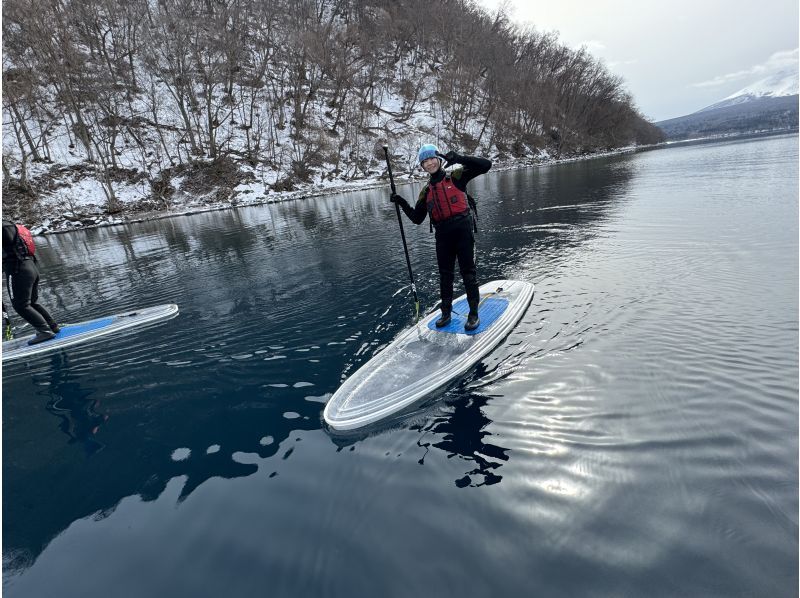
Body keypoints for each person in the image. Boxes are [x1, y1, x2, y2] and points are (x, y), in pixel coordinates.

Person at [390, 144, 491, 331]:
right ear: (422, 166)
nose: (429, 163)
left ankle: (473, 314)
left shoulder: (456, 176)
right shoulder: (426, 191)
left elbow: (486, 165)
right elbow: (417, 219)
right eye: (424, 161)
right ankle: (446, 313)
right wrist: (402, 203)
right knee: (445, 276)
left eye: (431, 158)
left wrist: (459, 157)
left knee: (468, 274)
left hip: (462, 231)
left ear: (439, 159)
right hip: (443, 236)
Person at [2, 221, 60, 345]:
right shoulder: (9, 224)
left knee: (20, 305)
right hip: (30, 266)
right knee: (32, 303)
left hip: (17, 271)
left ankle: (45, 331)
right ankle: (52, 326)